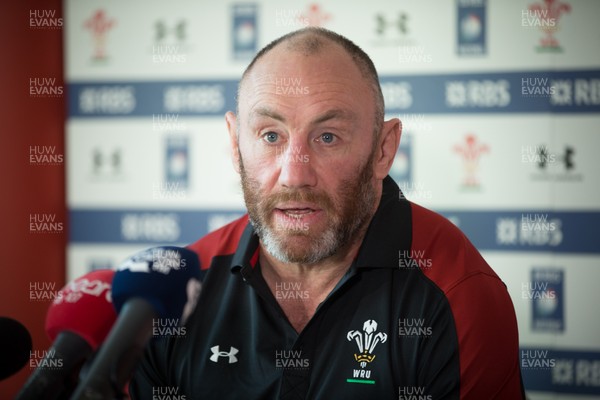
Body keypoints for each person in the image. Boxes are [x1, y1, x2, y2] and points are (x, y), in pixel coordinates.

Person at [130, 27, 525, 400]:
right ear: (235, 146)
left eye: (327, 137)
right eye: (271, 136)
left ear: (383, 150)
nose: (294, 175)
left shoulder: (459, 294)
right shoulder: (173, 292)